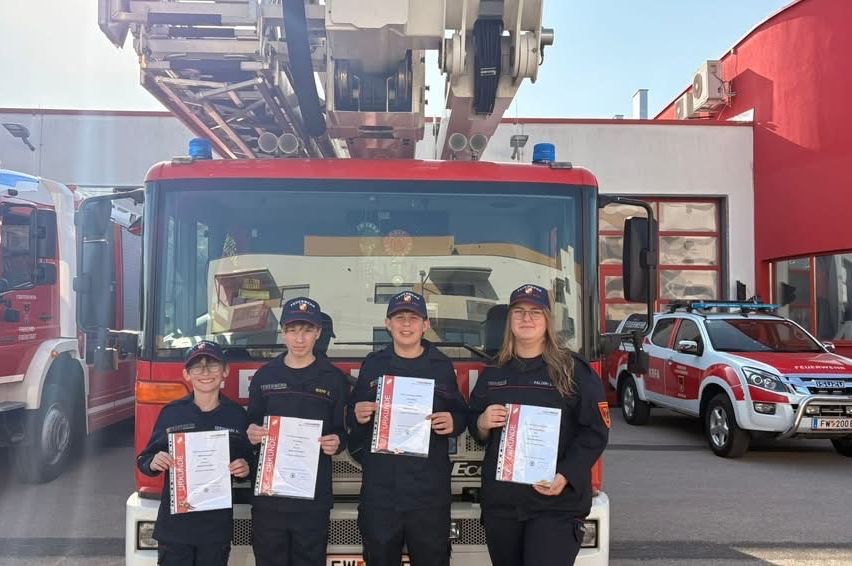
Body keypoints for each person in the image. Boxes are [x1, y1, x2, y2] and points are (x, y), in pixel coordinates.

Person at [468, 284, 610, 566]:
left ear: (547, 320)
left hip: (555, 502)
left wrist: (566, 474)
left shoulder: (572, 370)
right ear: (509, 320)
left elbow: (595, 430)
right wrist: (483, 422)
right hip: (503, 504)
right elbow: (475, 426)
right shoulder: (494, 372)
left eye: (535, 312)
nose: (526, 318)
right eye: (519, 312)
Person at [349, 290, 468, 566]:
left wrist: (453, 422)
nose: (405, 324)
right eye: (398, 318)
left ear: (425, 325)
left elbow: (461, 414)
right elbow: (352, 418)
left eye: (413, 318)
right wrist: (358, 413)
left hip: (428, 494)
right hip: (381, 492)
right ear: (388, 324)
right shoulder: (373, 364)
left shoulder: (441, 365)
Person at [247, 297, 349, 566]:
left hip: (312, 500)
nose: (299, 339)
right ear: (283, 332)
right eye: (293, 330)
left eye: (306, 330)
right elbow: (251, 424)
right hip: (270, 499)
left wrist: (336, 442)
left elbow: (341, 431)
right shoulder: (264, 377)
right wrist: (253, 433)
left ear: (318, 333)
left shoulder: (334, 379)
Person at [136, 340, 252, 566]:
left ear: (225, 371)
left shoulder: (236, 415)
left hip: (214, 529)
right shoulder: (172, 413)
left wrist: (244, 468)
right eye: (197, 367)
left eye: (213, 366)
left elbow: (248, 461)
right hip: (176, 528)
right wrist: (154, 462)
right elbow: (144, 460)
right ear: (187, 374)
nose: (205, 372)